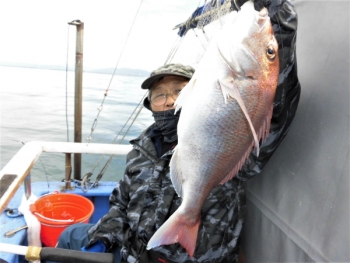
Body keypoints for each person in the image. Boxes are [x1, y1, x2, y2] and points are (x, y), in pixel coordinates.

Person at [53, 0, 301, 261]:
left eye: (178, 90)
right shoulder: (142, 150)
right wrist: (103, 237)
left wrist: (278, 19)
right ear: (150, 104)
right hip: (132, 254)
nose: (169, 99)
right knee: (72, 235)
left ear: (196, 92)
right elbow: (119, 205)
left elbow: (276, 110)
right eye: (159, 94)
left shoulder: (236, 153)